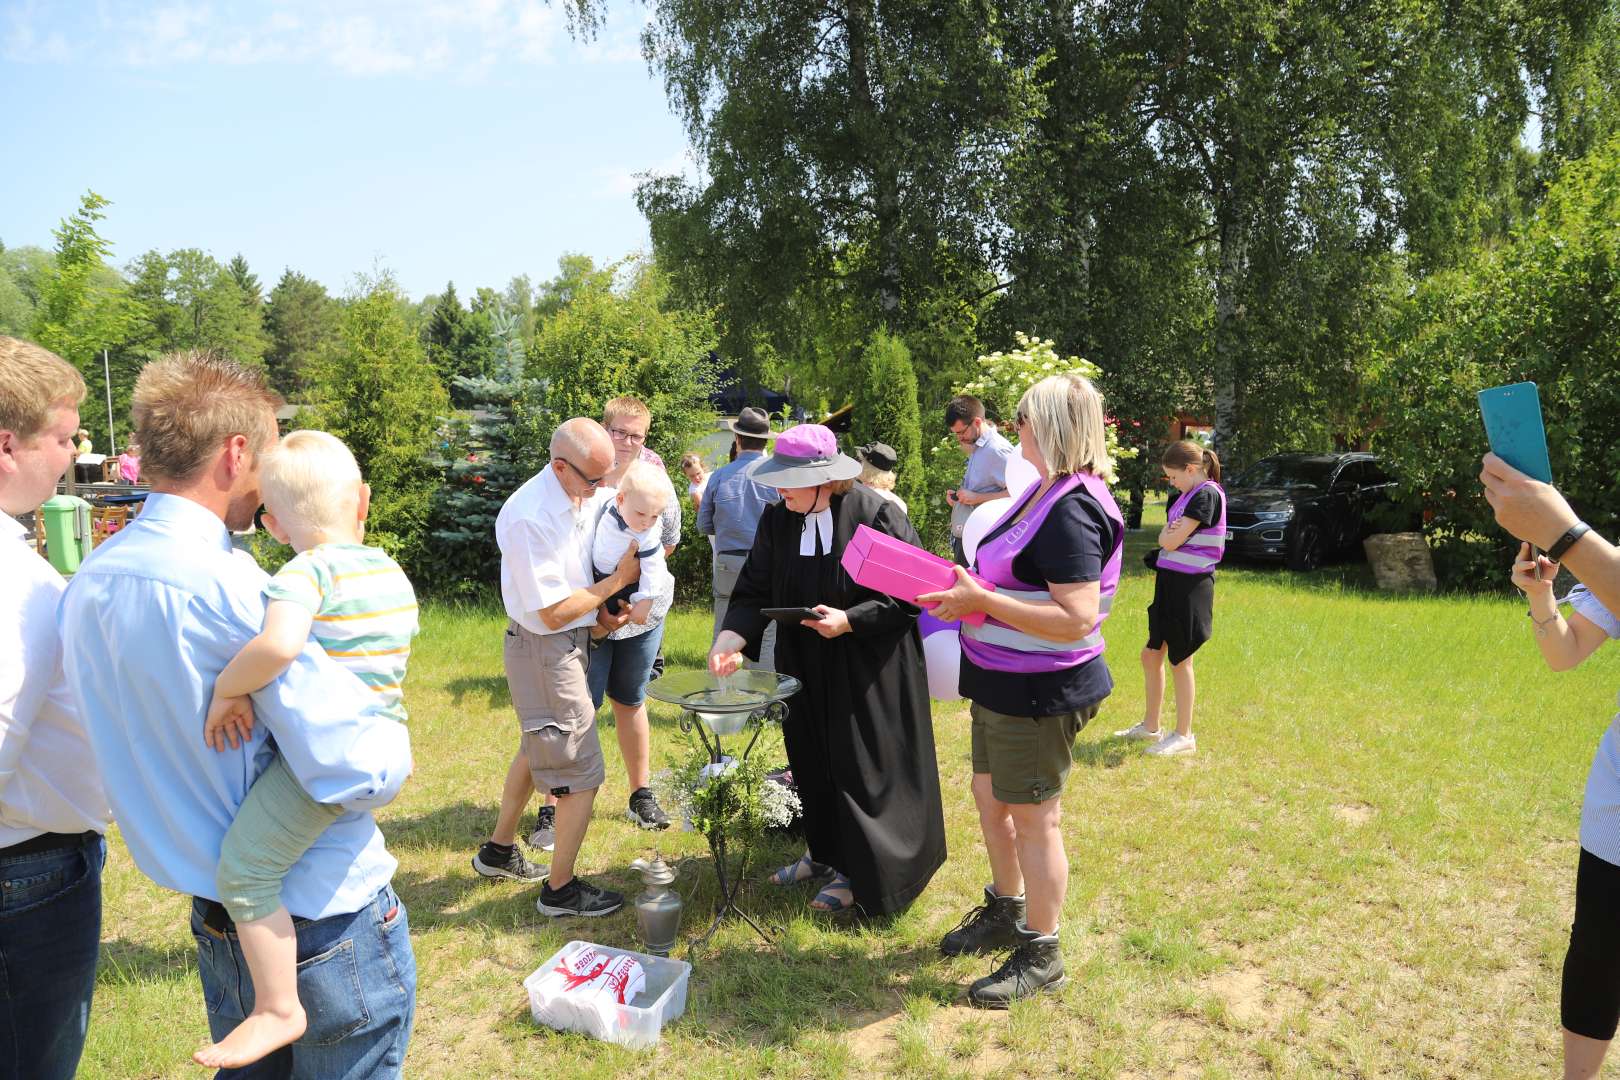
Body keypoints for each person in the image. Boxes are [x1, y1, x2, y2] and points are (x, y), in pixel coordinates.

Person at [59, 350, 417, 1079]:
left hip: (223, 918)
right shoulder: (234, 589)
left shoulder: (91, 581)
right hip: (323, 915)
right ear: (234, 453)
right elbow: (356, 767)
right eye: (268, 460)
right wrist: (393, 756)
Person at [192, 430, 419, 1070]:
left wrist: (227, 689)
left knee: (245, 871)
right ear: (363, 502)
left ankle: (277, 1006)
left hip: (325, 762)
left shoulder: (302, 572)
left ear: (271, 524)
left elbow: (279, 647)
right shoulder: (389, 570)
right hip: (380, 742)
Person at [918, 373, 1124, 1008]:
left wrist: (981, 599)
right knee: (990, 796)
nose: (1018, 430)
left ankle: (1043, 949)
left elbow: (1078, 617)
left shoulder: (1072, 508)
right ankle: (1007, 908)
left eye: (1026, 420)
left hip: (1042, 690)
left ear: (1051, 430)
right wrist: (970, 594)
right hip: (1002, 681)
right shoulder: (1049, 491)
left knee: (1035, 819)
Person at [708, 424, 946, 916]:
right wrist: (732, 639)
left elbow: (910, 595)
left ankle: (860, 871)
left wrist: (851, 620)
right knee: (812, 759)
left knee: (857, 765)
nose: (779, 491)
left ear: (824, 479)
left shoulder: (874, 514)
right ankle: (823, 852)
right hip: (805, 664)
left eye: (788, 482)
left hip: (867, 668)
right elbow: (753, 588)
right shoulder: (779, 520)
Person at [1483, 453, 1620, 1080]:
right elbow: (1565, 655)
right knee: (1596, 956)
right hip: (1616, 809)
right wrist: (1542, 595)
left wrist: (1565, 533)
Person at [471, 418, 641, 918]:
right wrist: (615, 584)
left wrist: (600, 619)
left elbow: (573, 586)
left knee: (537, 745)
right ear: (560, 467)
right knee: (581, 772)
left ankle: (498, 853)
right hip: (545, 648)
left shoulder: (578, 493)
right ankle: (560, 891)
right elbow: (549, 612)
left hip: (563, 642)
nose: (602, 488)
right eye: (594, 479)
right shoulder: (529, 516)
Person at [0, 336, 110, 1080]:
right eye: (64, 438)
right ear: (8, 444)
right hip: (27, 870)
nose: (71, 455)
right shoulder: (14, 579)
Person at [528, 397, 680, 852]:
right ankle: (552, 807)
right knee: (574, 708)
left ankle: (641, 794)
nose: (628, 442)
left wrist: (631, 587)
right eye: (619, 432)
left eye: (637, 435)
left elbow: (667, 539)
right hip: (585, 609)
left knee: (631, 700)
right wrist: (603, 595)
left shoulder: (653, 472)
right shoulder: (584, 468)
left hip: (638, 611)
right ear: (604, 429)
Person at [1116, 440, 1225, 757]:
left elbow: (1171, 539)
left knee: (1180, 659)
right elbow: (1168, 536)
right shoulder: (1185, 496)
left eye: (1174, 477)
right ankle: (1151, 727)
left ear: (1191, 469)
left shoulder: (1206, 494)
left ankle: (1184, 735)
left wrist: (1167, 537)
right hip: (1170, 583)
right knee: (1152, 655)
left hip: (1190, 587)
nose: (1171, 483)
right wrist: (1167, 537)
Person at [699, 406, 778, 669]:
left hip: (728, 562)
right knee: (766, 636)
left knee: (722, 631)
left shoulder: (718, 477)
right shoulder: (775, 477)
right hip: (767, 564)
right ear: (765, 441)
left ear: (737, 439)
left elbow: (705, 524)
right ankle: (763, 703)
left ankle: (719, 701)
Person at [944, 395, 1015, 565]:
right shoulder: (978, 446)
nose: (959, 438)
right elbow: (983, 487)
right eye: (955, 434)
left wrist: (977, 498)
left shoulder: (997, 450)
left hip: (986, 540)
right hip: (970, 535)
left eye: (961, 432)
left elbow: (1021, 494)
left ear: (977, 422)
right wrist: (960, 499)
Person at [856, 441, 908, 515]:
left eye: (861, 461)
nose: (859, 463)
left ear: (866, 468)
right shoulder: (901, 505)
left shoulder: (859, 495)